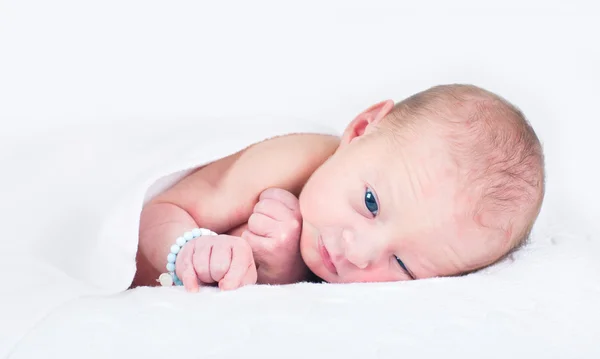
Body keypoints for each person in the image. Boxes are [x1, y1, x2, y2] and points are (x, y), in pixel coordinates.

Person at [133, 84, 545, 292]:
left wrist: (283, 268)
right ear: (362, 129)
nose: (359, 253)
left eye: (403, 265)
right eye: (370, 203)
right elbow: (157, 211)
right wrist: (192, 246)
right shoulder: (289, 160)